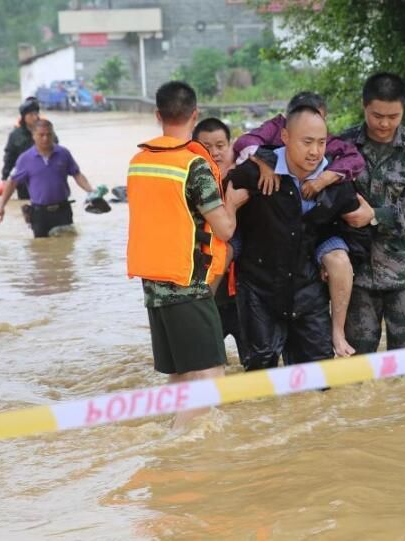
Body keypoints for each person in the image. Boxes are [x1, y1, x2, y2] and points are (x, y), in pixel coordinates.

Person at [127, 81, 247, 429]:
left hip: (153, 286)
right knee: (211, 374)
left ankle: (163, 438)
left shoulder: (138, 162)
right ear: (194, 115)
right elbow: (224, 229)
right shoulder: (194, 165)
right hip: (188, 285)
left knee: (180, 375)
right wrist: (234, 204)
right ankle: (177, 441)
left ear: (157, 115)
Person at [226, 105, 369, 371]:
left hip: (308, 292)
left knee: (319, 381)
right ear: (285, 138)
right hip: (259, 290)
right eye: (307, 142)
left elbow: (355, 229)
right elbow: (220, 210)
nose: (315, 151)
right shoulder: (255, 172)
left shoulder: (335, 181)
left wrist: (342, 259)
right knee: (260, 377)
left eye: (321, 143)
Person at [339, 73, 405, 353]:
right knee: (358, 366)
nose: (384, 123)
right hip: (357, 275)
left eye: (393, 116)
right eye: (377, 115)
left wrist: (375, 216)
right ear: (364, 106)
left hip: (404, 274)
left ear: (403, 110)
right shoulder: (343, 146)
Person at [193, 117, 250, 364]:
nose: (214, 153)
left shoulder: (245, 178)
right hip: (209, 294)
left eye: (220, 145)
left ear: (230, 146)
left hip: (244, 291)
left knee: (254, 365)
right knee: (211, 367)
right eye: (206, 146)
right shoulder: (190, 183)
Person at [0, 119, 94, 237]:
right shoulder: (25, 159)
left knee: (66, 250)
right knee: (41, 250)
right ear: (34, 136)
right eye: (41, 135)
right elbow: (12, 183)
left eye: (49, 134)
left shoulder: (63, 153)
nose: (45, 138)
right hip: (39, 214)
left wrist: (91, 192)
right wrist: (1, 207)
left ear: (53, 135)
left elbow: (77, 175)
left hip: (63, 210)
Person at [1, 97, 52, 200]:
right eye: (31, 115)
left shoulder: (46, 131)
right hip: (24, 181)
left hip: (46, 178)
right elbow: (9, 157)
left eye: (36, 113)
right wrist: (5, 177)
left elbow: (56, 150)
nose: (35, 117)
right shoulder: (15, 135)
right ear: (24, 117)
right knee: (27, 209)